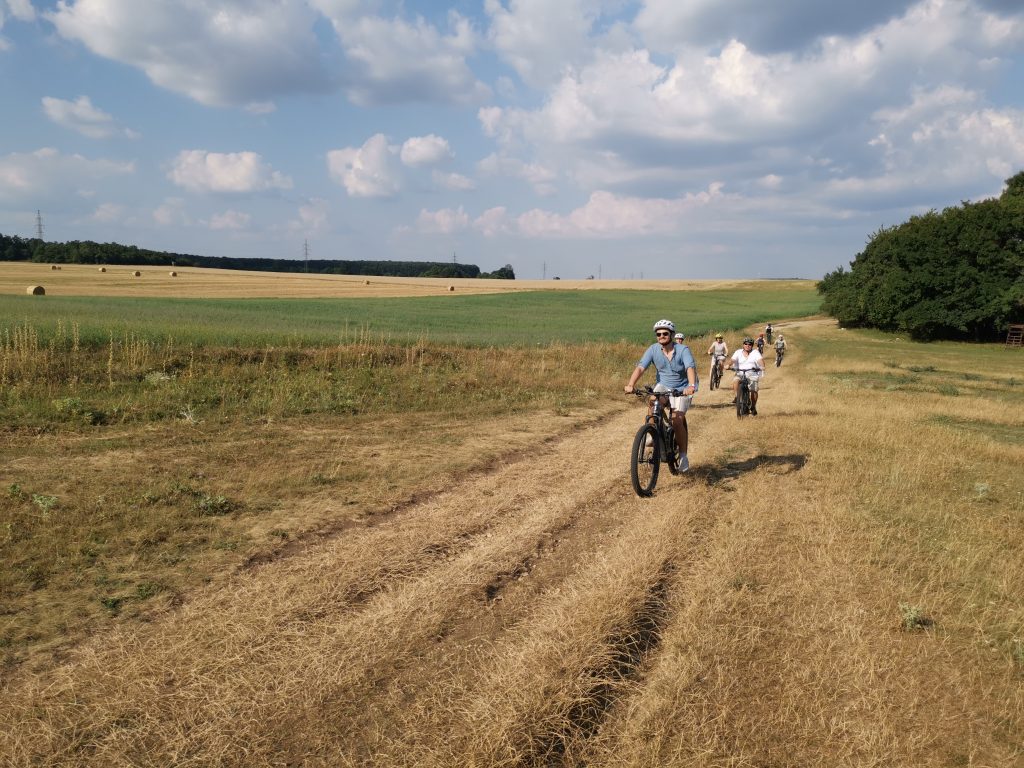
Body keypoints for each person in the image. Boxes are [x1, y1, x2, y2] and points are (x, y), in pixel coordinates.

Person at [624, 319, 697, 472]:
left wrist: (690, 386)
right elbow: (640, 368)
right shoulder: (653, 349)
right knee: (652, 400)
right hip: (664, 385)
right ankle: (652, 431)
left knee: (677, 420)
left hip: (682, 387)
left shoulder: (683, 350)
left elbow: (690, 367)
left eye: (665, 333)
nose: (661, 336)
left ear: (671, 334)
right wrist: (631, 384)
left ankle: (683, 456)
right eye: (658, 334)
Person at [729, 336, 765, 415]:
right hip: (740, 373)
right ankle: (737, 397)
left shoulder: (755, 352)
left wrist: (762, 367)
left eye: (749, 344)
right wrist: (728, 365)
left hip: (752, 373)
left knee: (753, 391)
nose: (747, 345)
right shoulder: (738, 352)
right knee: (735, 381)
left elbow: (760, 360)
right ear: (743, 344)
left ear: (752, 345)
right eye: (745, 344)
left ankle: (753, 406)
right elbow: (732, 360)